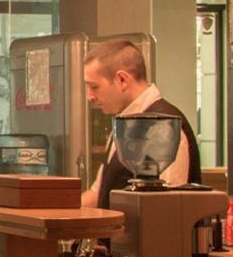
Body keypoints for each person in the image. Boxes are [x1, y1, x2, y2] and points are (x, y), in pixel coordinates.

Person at [79, 40, 200, 208]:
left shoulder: (165, 126)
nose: (90, 96)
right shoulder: (123, 122)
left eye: (94, 87)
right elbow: (98, 195)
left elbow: (170, 207)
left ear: (122, 79)